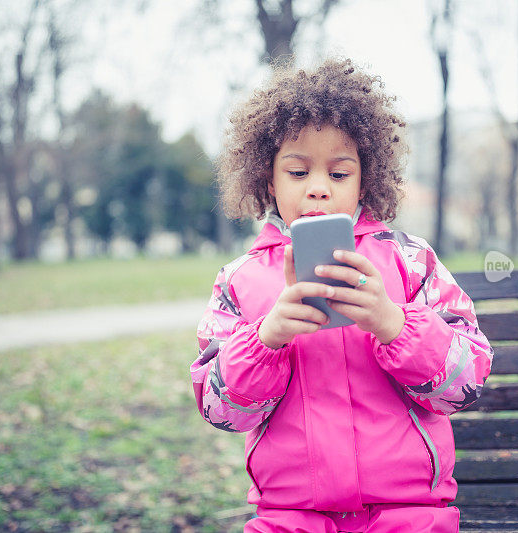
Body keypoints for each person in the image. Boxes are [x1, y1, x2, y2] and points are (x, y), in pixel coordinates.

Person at [190, 57, 493, 533]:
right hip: (290, 517)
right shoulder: (240, 281)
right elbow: (220, 410)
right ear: (268, 180)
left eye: (338, 174)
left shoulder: (410, 262)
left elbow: (466, 383)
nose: (317, 190)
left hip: (409, 512)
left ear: (363, 180)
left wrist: (395, 325)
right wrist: (264, 339)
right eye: (297, 172)